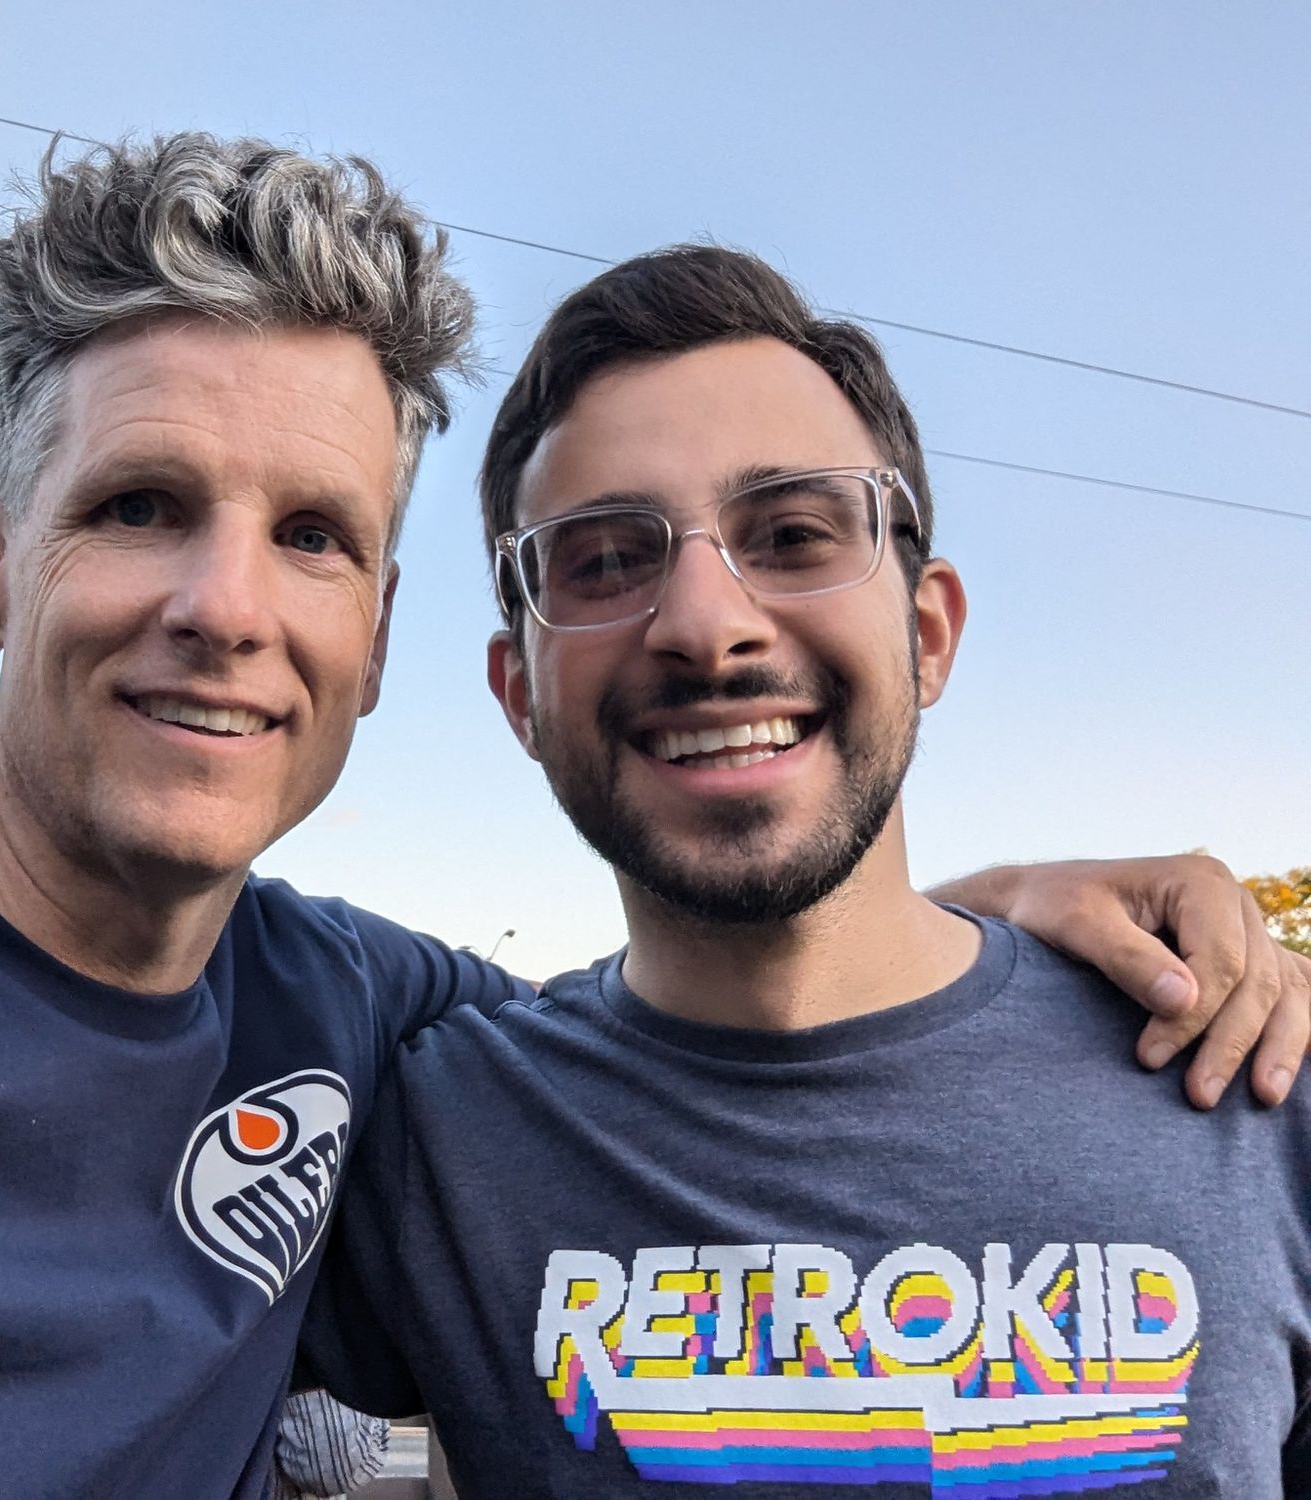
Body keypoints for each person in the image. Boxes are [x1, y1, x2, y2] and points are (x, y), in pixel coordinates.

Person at [0, 137, 1296, 1498]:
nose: (225, 603)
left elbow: (784, 1000)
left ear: (380, 641)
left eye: (315, 535)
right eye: (138, 506)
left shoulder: (371, 1030)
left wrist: (993, 929)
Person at [297, 244, 1311, 1497]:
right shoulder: (430, 1134)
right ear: (519, 696)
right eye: (604, 560)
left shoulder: (1254, 1076)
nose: (704, 625)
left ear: (925, 633)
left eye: (789, 534)